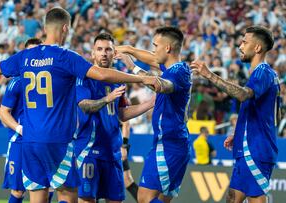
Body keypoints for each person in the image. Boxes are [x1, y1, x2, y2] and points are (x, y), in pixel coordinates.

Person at [0, 7, 160, 203]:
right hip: (58, 140)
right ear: (65, 28)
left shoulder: (25, 56)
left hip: (30, 141)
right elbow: (101, 74)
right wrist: (141, 79)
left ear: (46, 28)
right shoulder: (66, 57)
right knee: (67, 194)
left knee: (37, 197)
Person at [190, 26, 280, 203]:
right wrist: (238, 133)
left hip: (256, 148)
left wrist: (210, 75)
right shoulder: (261, 74)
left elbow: (243, 94)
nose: (240, 46)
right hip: (249, 144)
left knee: (255, 198)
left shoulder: (263, 71)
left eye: (245, 42)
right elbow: (256, 109)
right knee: (233, 198)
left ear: (257, 48)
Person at [75, 33, 155, 203]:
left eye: (108, 50)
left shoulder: (118, 81)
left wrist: (150, 103)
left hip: (113, 153)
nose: (104, 53)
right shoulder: (85, 78)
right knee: (87, 200)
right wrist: (106, 99)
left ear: (114, 53)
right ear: (93, 53)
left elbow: (122, 114)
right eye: (99, 49)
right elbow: (84, 106)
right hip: (90, 152)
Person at [117, 26, 192, 203]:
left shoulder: (178, 72)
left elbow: (159, 85)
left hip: (168, 144)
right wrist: (129, 49)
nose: (153, 50)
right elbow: (150, 58)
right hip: (175, 142)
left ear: (167, 48)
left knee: (144, 198)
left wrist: (133, 68)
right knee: (161, 199)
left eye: (155, 45)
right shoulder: (174, 68)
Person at [0, 38, 43, 203]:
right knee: (18, 190)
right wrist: (19, 129)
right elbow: (3, 112)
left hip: (43, 139)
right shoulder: (17, 81)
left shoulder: (50, 80)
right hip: (20, 141)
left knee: (44, 187)